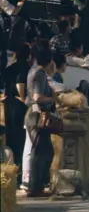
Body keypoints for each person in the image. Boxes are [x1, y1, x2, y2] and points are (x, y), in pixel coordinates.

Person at [25, 48, 58, 198]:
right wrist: (54, 100)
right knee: (40, 152)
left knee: (42, 151)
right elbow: (37, 97)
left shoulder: (33, 70)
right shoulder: (40, 73)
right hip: (37, 115)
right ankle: (35, 187)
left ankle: (37, 185)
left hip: (33, 114)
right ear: (50, 61)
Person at [1, 44, 31, 185]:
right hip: (19, 104)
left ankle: (12, 169)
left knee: (11, 136)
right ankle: (20, 173)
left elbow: (6, 88)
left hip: (8, 104)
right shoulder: (26, 68)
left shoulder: (8, 69)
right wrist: (23, 97)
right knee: (21, 138)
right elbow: (20, 84)